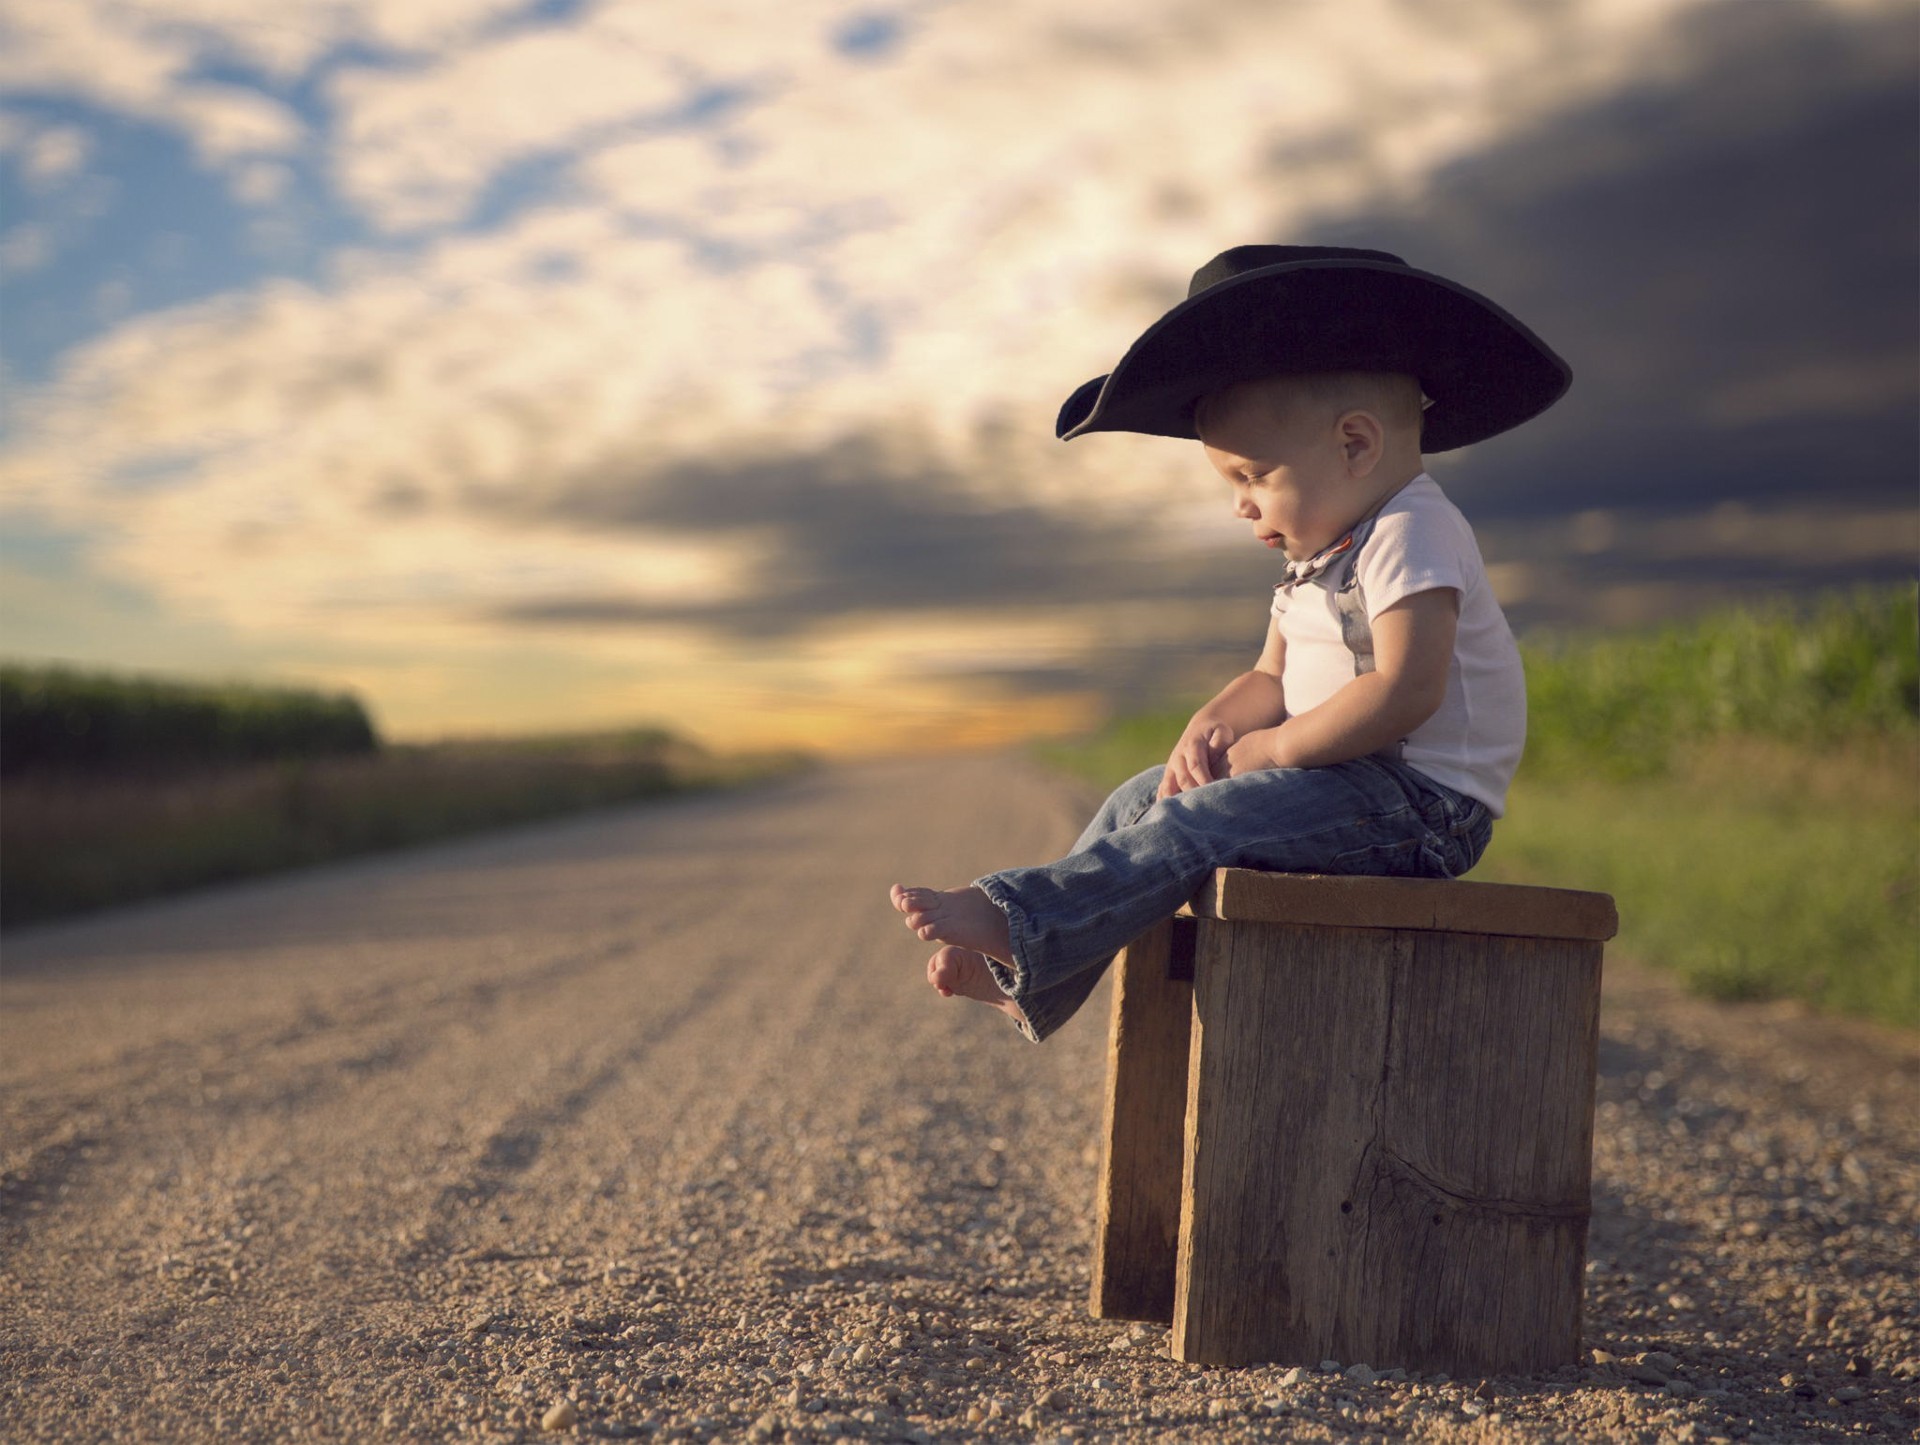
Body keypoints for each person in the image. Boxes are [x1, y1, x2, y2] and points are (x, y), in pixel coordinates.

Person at [889, 244, 1571, 1042]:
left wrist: (1278, 750)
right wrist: (1215, 721)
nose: (1242, 507)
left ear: (1355, 445)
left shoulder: (1413, 529)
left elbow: (1406, 689)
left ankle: (1021, 917)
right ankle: (1030, 970)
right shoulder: (1315, 561)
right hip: (1344, 789)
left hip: (1421, 808)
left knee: (1197, 824)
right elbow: (1271, 675)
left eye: (1251, 476)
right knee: (1146, 798)